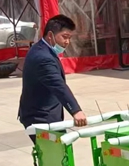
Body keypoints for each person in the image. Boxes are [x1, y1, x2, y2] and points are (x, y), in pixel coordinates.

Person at [19, 14, 87, 143]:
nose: (67, 42)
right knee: (56, 156)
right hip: (41, 119)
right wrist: (76, 110)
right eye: (64, 37)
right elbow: (58, 85)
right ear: (50, 35)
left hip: (44, 113)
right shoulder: (43, 58)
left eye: (69, 38)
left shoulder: (41, 48)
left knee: (55, 156)